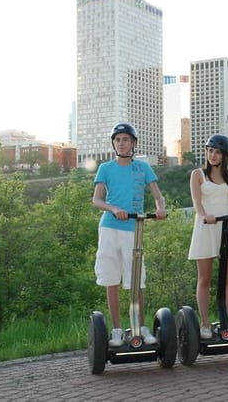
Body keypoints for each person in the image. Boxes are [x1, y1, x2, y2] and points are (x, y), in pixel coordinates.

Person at [92, 123, 167, 347]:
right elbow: (96, 200)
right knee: (111, 279)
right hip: (109, 228)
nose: (122, 143)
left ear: (133, 143)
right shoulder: (105, 168)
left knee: (136, 280)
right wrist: (114, 209)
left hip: (133, 228)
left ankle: (141, 327)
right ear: (114, 143)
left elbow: (157, 196)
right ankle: (116, 330)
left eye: (126, 139)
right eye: (118, 140)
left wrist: (161, 208)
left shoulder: (143, 168)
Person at [188, 134, 228, 339]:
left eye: (216, 152)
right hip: (207, 226)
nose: (212, 155)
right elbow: (197, 202)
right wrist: (204, 215)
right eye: (209, 151)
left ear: (224, 155)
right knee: (205, 278)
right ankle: (205, 324)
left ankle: (224, 321)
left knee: (226, 278)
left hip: (227, 225)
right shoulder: (197, 174)